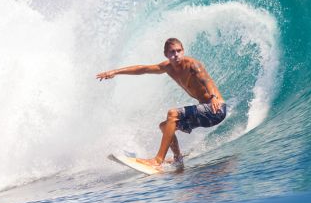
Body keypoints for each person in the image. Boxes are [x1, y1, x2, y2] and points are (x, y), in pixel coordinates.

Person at [96, 38, 227, 169]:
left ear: (183, 51)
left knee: (173, 113)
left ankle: (157, 161)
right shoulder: (167, 67)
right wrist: (115, 72)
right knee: (166, 127)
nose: (176, 55)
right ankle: (178, 159)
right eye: (172, 52)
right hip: (205, 113)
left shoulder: (193, 65)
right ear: (166, 54)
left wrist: (214, 97)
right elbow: (143, 69)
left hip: (216, 109)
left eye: (179, 51)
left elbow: (206, 80)